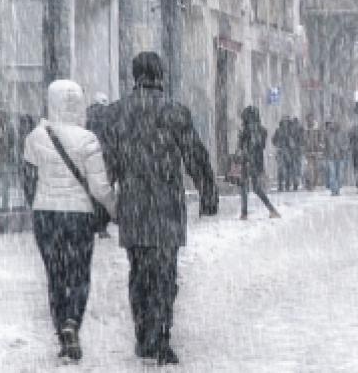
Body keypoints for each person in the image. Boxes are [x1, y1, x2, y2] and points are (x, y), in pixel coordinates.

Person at [97, 52, 218, 365]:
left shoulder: (115, 113)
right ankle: (160, 336)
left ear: (134, 75)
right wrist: (207, 193)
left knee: (139, 272)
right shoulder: (174, 111)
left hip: (134, 206)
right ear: (160, 75)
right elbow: (195, 155)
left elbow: (106, 165)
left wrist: (101, 207)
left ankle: (143, 334)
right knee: (164, 274)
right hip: (166, 206)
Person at [21, 80, 116, 362]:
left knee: (55, 275)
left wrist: (38, 204)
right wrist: (114, 209)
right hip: (79, 215)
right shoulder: (88, 139)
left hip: (46, 215)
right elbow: (99, 187)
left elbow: (28, 181)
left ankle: (62, 331)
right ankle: (72, 322)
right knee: (79, 274)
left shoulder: (35, 137)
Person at [237, 106, 279, 220]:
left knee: (244, 187)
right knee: (256, 188)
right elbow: (261, 146)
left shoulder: (245, 130)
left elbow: (242, 147)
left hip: (247, 161)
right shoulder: (262, 130)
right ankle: (272, 210)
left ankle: (244, 213)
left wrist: (242, 142)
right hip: (257, 161)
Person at [325, 121, 348, 196]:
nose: (334, 126)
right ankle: (333, 190)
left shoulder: (342, 133)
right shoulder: (328, 134)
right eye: (333, 124)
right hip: (331, 157)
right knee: (332, 174)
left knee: (339, 175)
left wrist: (342, 148)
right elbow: (325, 145)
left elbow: (346, 143)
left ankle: (337, 189)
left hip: (340, 157)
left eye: (335, 124)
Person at [303, 115, 326, 191]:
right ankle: (309, 183)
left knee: (316, 169)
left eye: (311, 119)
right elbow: (302, 140)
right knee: (309, 169)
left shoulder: (317, 130)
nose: (310, 121)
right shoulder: (305, 130)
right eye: (309, 119)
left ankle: (314, 183)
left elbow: (321, 140)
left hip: (316, 152)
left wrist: (320, 146)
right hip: (307, 152)